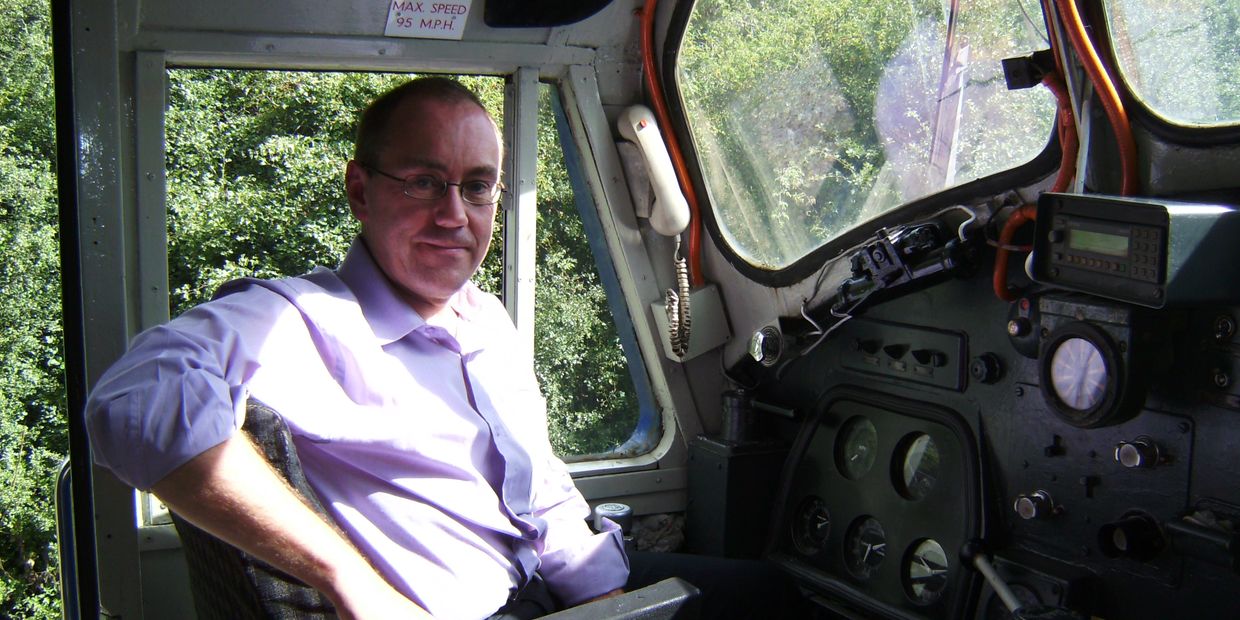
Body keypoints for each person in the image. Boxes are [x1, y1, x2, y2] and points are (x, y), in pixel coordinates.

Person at [86, 77, 629, 619]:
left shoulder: (487, 317)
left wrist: (603, 595)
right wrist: (349, 580)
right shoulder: (300, 321)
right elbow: (133, 400)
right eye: (424, 182)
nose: (455, 215)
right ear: (360, 191)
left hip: (558, 592)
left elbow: (539, 484)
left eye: (477, 187)